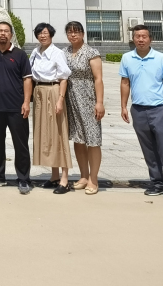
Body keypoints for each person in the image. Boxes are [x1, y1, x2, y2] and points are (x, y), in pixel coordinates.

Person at [119, 24, 163, 204]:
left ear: (150, 39)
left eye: (144, 36)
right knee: (148, 149)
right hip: (138, 109)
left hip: (159, 109)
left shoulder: (161, 58)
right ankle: (158, 182)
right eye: (137, 36)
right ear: (133, 38)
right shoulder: (127, 58)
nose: (141, 39)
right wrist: (123, 106)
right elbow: (125, 82)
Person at [0, 21, 33, 194]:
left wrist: (26, 102)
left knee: (20, 144)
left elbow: (27, 79)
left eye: (6, 31)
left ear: (11, 35)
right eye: (0, 31)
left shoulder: (20, 55)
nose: (3, 33)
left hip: (16, 108)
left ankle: (24, 179)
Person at [29, 23, 73, 193]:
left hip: (54, 91)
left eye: (46, 33)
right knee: (46, 134)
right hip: (39, 92)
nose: (43, 36)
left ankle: (64, 179)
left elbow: (64, 78)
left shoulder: (57, 53)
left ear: (51, 35)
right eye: (40, 33)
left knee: (58, 133)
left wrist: (60, 99)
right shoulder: (35, 52)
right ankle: (54, 176)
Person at [63, 20, 105, 194]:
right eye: (70, 32)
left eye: (77, 32)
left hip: (88, 99)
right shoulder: (64, 52)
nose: (73, 35)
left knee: (92, 139)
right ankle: (83, 176)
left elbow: (98, 79)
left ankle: (93, 179)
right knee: (78, 138)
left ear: (83, 34)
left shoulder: (91, 52)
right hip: (71, 100)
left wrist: (99, 102)